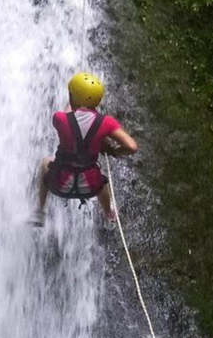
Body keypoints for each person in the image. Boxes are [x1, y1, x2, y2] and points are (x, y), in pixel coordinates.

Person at [32, 72, 137, 227]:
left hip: (60, 183)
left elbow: (70, 116)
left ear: (72, 97)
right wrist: (114, 151)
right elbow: (132, 146)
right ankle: (109, 214)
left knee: (45, 163)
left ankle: (40, 212)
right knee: (100, 177)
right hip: (90, 186)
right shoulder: (106, 122)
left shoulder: (59, 119)